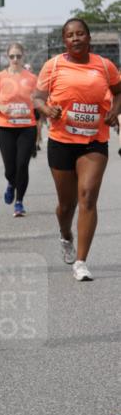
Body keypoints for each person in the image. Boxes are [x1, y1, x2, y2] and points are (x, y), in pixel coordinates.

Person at [34, 17, 121, 281]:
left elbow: (119, 93)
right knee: (66, 203)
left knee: (88, 196)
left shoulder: (105, 67)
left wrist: (114, 111)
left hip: (94, 140)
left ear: (89, 38)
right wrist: (48, 109)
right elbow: (37, 98)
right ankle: (65, 234)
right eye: (70, 35)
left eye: (80, 34)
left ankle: (81, 261)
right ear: (64, 41)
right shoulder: (54, 65)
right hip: (61, 140)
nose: (75, 39)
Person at [0, 43, 38, 217]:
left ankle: (19, 202)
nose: (15, 59)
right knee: (10, 168)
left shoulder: (31, 78)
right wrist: (1, 107)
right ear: (7, 57)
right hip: (7, 128)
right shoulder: (0, 77)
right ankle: (11, 183)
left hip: (27, 127)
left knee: (22, 165)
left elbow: (39, 100)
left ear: (24, 57)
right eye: (12, 56)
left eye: (18, 56)